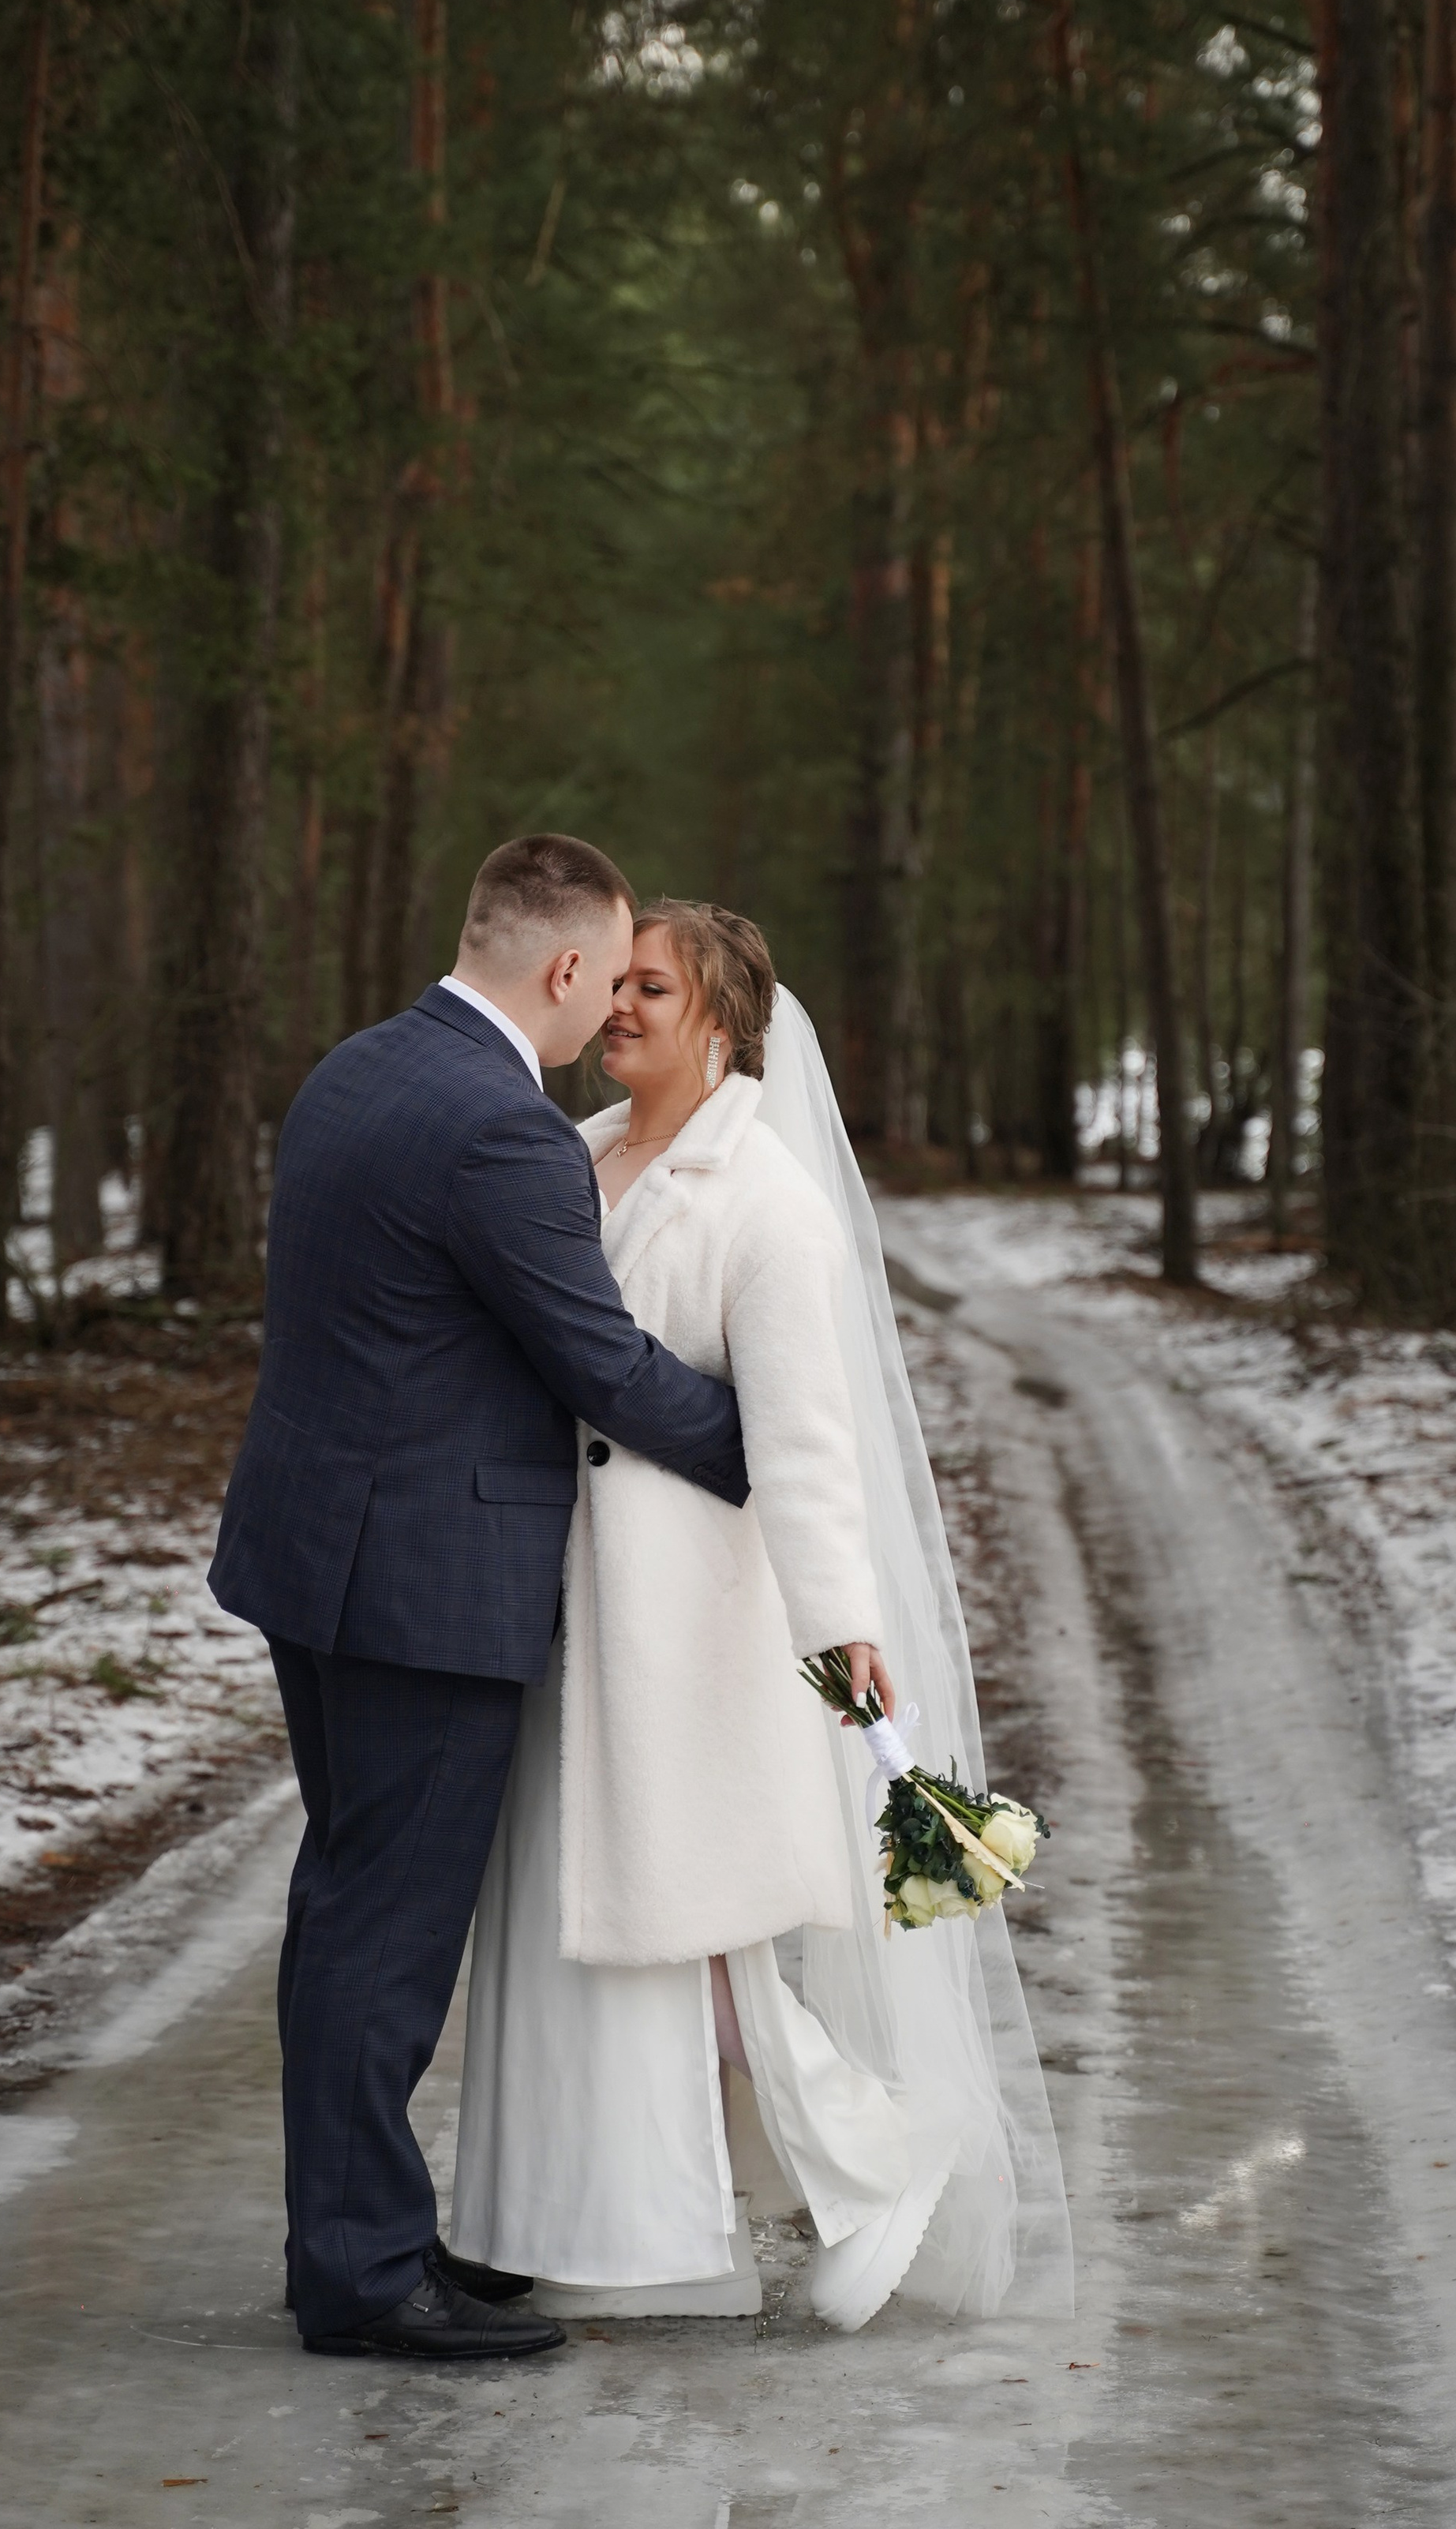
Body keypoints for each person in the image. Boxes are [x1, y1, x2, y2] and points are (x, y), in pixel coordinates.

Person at [450, 902, 1071, 2328]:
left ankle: (859, 2162)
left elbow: (804, 1443)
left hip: (687, 1624)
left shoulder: (770, 1201)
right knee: (586, 1917)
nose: (616, 1006)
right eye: (614, 982)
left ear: (724, 1022)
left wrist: (844, 1623)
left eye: (648, 987)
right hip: (558, 1610)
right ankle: (587, 2220)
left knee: (680, 1929)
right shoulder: (582, 1158)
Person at [214, 837, 775, 2362]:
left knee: (347, 1903)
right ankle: (358, 2276)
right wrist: (770, 1445)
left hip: (313, 1556)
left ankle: (359, 2239)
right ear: (566, 967)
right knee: (384, 1933)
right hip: (420, 1584)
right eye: (607, 976)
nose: (607, 1011)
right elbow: (598, 1362)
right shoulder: (504, 1135)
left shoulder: (355, 1071)